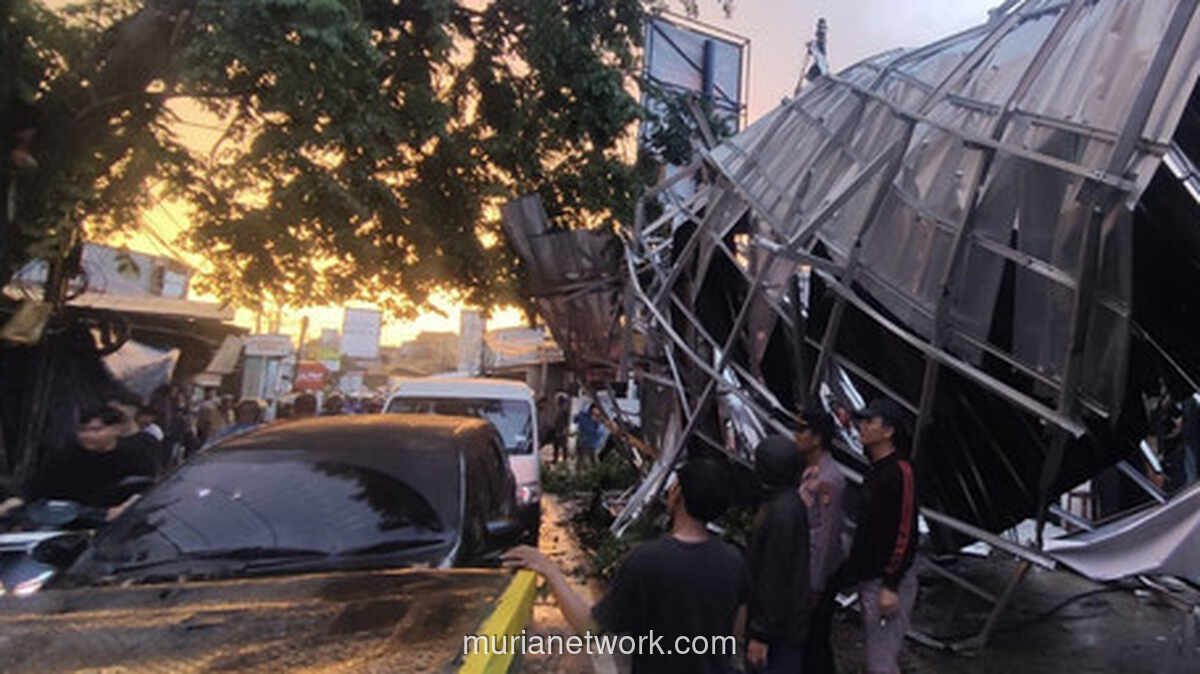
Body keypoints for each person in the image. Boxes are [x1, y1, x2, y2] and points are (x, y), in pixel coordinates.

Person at [503, 457, 749, 674]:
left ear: (677, 496)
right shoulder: (735, 561)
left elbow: (590, 628)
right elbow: (734, 635)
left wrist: (550, 570)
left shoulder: (646, 560)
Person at [831, 398, 919, 674]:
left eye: (870, 422)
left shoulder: (899, 472)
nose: (862, 427)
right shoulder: (875, 470)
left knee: (881, 659)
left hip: (887, 580)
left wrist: (891, 584)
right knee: (876, 653)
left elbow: (905, 530)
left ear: (888, 431)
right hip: (871, 577)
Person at [745, 435, 812, 673]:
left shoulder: (780, 514)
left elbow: (774, 577)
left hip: (778, 633)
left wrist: (760, 634)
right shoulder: (789, 503)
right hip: (787, 627)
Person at [24, 405, 159, 520]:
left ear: (116, 429)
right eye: (82, 430)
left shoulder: (135, 456)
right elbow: (37, 487)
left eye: (96, 430)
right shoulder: (65, 456)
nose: (87, 435)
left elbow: (149, 488)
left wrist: (126, 506)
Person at [794, 404, 846, 674]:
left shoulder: (828, 479)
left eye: (802, 430)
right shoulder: (810, 472)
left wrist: (815, 584)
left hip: (819, 575)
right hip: (807, 570)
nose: (796, 435)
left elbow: (826, 535)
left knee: (815, 642)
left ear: (817, 438)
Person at [574, 403, 604, 469]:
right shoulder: (584, 415)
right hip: (582, 441)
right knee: (580, 460)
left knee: (593, 459)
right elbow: (575, 420)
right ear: (591, 409)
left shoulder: (599, 420)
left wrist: (597, 423)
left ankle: (598, 474)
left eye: (597, 410)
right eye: (594, 410)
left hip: (592, 443)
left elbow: (600, 433)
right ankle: (578, 474)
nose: (595, 412)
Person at [551, 393, 570, 463]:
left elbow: (566, 422)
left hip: (561, 431)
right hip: (557, 430)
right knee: (556, 446)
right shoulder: (558, 410)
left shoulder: (564, 411)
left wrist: (564, 430)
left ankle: (565, 460)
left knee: (563, 445)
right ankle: (555, 459)